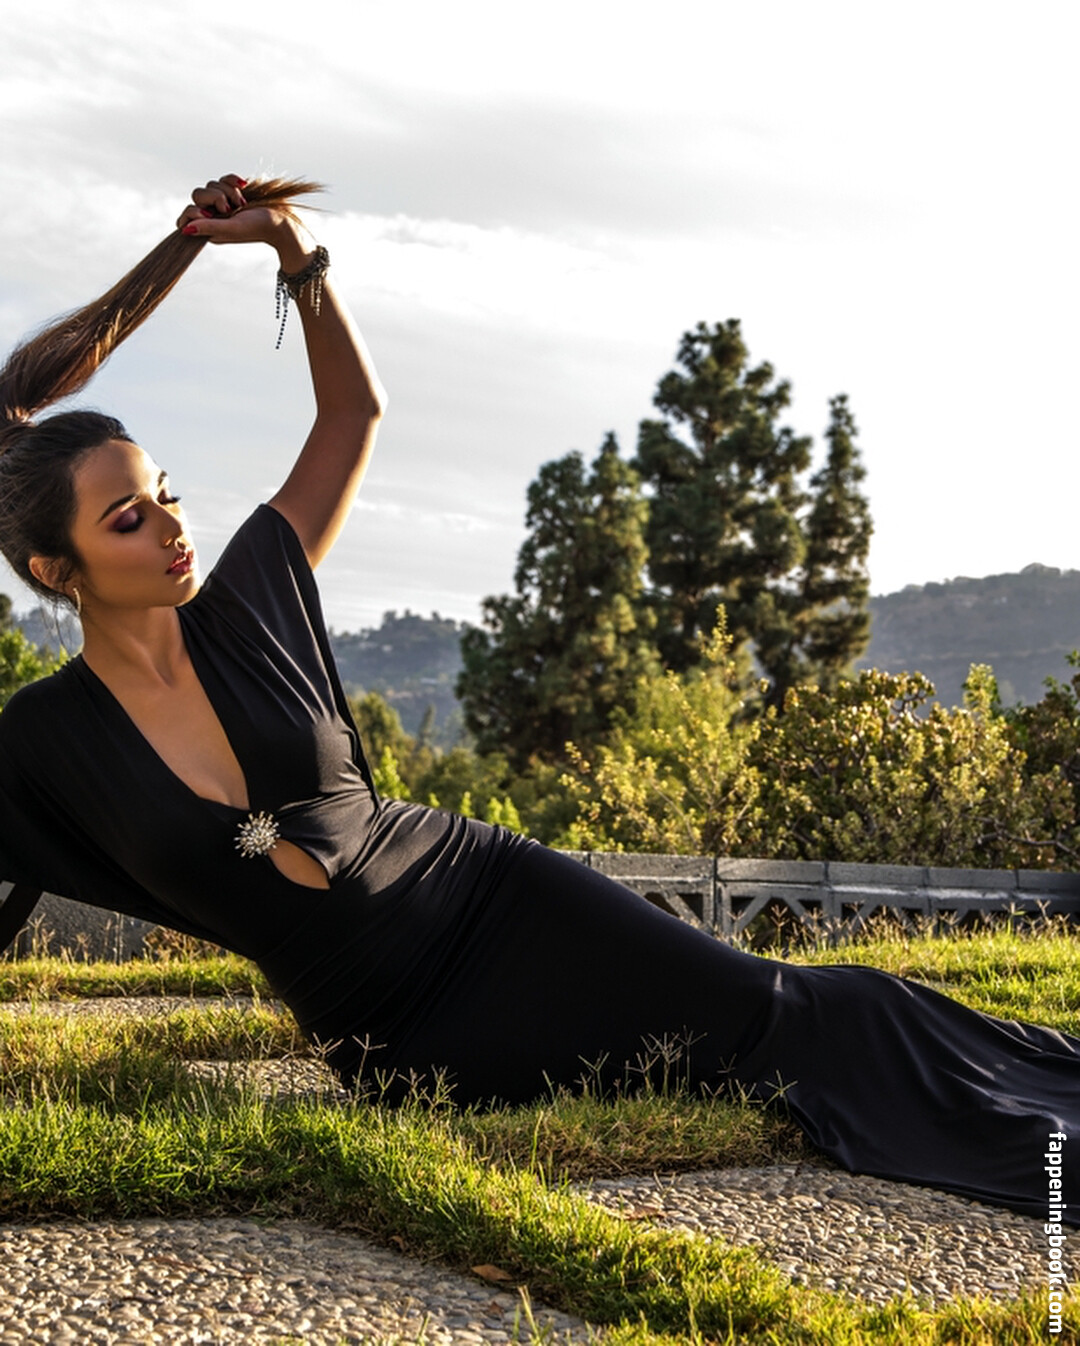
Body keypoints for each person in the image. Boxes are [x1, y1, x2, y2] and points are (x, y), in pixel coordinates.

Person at [0, 175, 1076, 1228]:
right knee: (711, 1062)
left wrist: (292, 249)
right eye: (129, 519)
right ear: (56, 569)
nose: (172, 526)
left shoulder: (255, 596)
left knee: (789, 1016)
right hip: (393, 1042)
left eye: (168, 494)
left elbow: (353, 412)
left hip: (490, 895)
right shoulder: (43, 741)